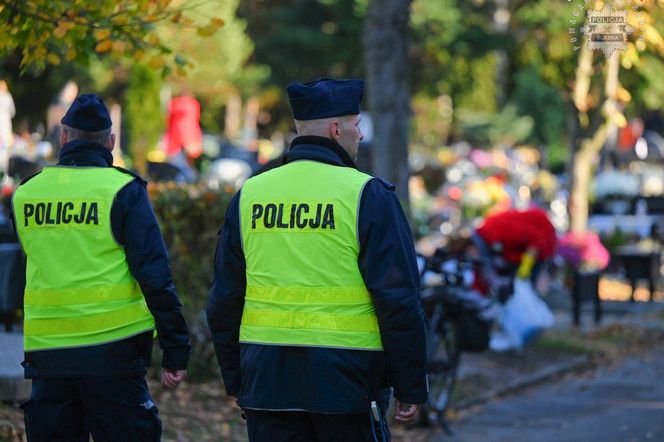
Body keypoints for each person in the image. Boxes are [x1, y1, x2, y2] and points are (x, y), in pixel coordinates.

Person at [207, 78, 428, 442]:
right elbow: (398, 300)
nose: (360, 134)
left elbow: (224, 299)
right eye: (356, 125)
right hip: (347, 385)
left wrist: (236, 379)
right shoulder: (366, 195)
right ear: (336, 128)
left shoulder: (251, 195)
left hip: (267, 383)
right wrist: (410, 385)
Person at [11, 94, 190, 441]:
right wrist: (175, 348)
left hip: (48, 357)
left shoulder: (25, 194)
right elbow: (155, 276)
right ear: (110, 142)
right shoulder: (123, 190)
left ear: (63, 137)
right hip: (113, 356)